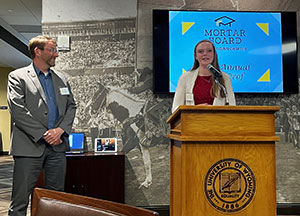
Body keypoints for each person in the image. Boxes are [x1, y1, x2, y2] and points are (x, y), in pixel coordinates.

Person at [7, 35, 77, 216]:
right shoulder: (17, 77)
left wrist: (60, 131)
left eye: (56, 50)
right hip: (29, 147)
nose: (56, 55)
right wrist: (45, 134)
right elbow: (18, 110)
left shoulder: (62, 79)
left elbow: (71, 106)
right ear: (38, 52)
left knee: (56, 201)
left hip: (57, 149)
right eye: (52, 50)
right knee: (20, 201)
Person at [172, 39, 235, 112]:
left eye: (209, 51)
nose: (205, 54)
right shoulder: (185, 78)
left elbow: (232, 107)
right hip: (193, 121)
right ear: (195, 56)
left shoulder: (224, 78)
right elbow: (175, 109)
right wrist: (196, 109)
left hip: (218, 122)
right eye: (200, 51)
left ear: (214, 54)